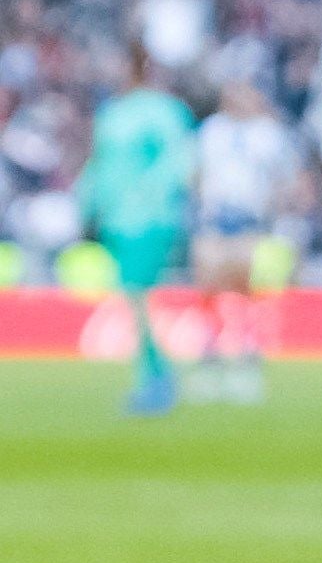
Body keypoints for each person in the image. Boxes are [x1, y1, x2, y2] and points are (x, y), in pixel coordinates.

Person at [75, 45, 197, 416]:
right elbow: (100, 164)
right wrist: (87, 205)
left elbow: (179, 162)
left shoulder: (162, 112)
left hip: (148, 218)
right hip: (116, 220)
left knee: (137, 294)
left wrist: (149, 197)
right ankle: (154, 375)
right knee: (133, 296)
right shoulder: (112, 113)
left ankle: (157, 378)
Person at [191, 80, 299, 404]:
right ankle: (210, 354)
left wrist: (276, 216)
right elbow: (197, 173)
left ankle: (248, 355)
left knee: (249, 288)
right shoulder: (212, 131)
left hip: (252, 219)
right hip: (214, 218)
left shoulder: (268, 134)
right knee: (210, 288)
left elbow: (284, 178)